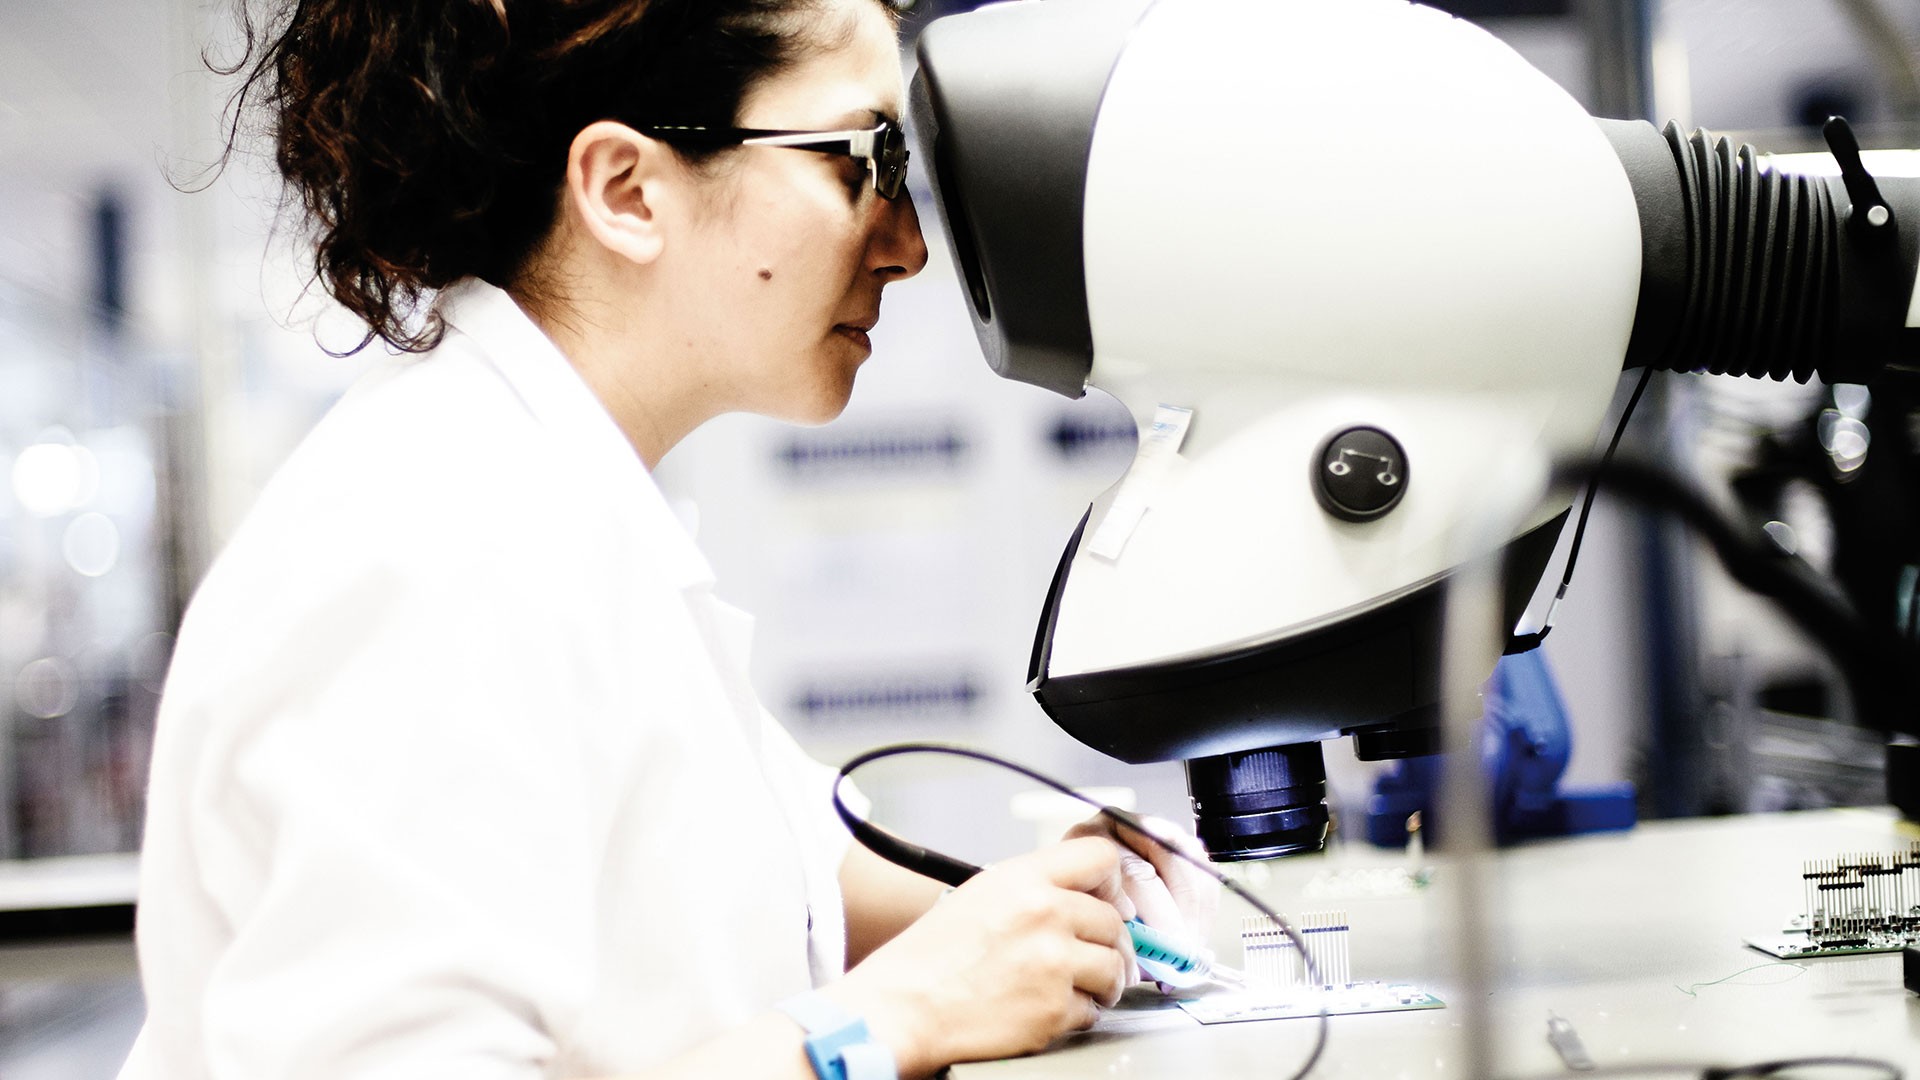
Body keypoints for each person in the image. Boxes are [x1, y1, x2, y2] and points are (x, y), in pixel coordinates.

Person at [120, 0, 1219, 1077]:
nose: (908, 245)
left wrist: (1042, 912)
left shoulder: (561, 499)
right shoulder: (435, 545)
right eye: (860, 160)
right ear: (628, 191)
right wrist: (889, 1019)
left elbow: (793, 876)